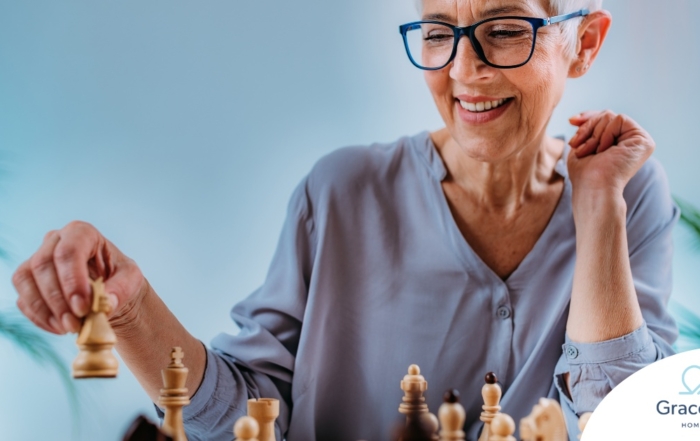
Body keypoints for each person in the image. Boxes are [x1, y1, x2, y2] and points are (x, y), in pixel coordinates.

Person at [12, 0, 678, 440]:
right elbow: (249, 415)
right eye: (440, 31)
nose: (465, 70)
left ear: (583, 43)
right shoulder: (339, 193)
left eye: (505, 29)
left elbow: (619, 420)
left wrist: (597, 209)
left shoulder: (626, 192)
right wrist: (130, 309)